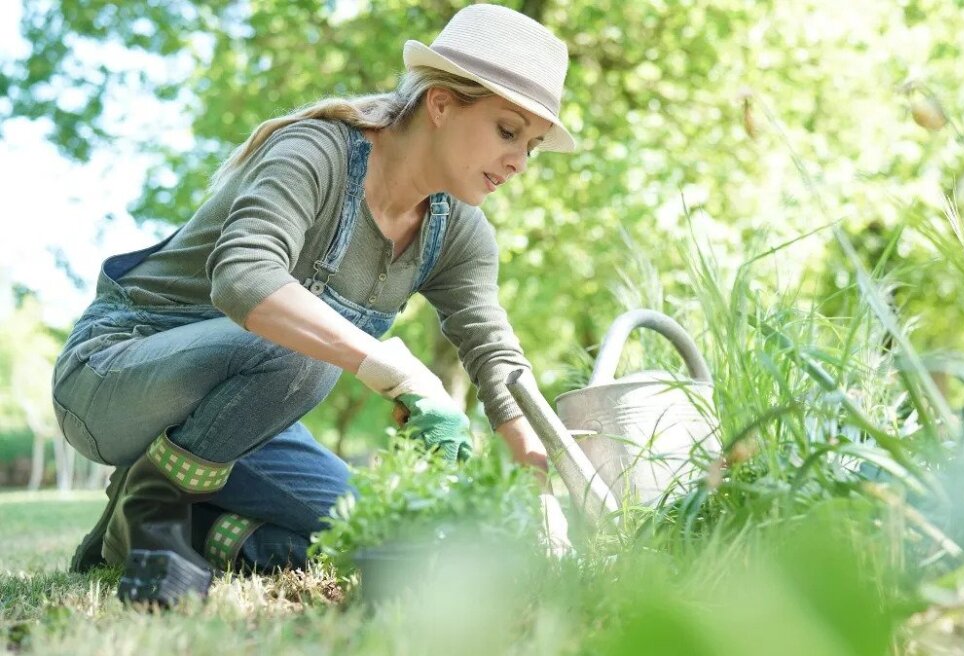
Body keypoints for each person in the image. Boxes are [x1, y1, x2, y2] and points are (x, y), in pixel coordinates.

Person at [51, 3, 573, 606]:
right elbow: (245, 280)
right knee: (307, 352)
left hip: (241, 419)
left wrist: (537, 473)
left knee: (387, 537)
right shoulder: (317, 152)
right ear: (441, 103)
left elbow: (493, 352)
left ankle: (169, 530)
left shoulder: (459, 232)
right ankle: (155, 505)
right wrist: (396, 371)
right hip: (115, 375)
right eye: (508, 131)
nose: (518, 161)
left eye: (532, 146)